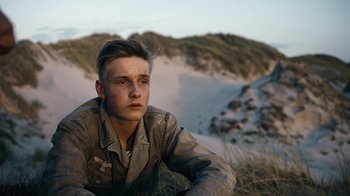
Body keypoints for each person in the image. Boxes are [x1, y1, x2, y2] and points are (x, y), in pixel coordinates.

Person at [40, 39, 236, 195]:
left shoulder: (161, 125)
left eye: (143, 81)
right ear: (101, 89)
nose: (136, 92)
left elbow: (218, 171)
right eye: (123, 82)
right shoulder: (76, 129)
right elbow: (61, 188)